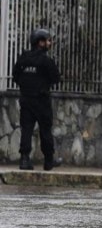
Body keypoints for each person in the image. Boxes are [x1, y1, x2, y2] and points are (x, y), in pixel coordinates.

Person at [12, 28, 62, 171]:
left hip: (26, 99)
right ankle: (48, 160)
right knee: (45, 129)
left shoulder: (23, 58)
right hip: (42, 100)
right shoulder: (46, 61)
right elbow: (55, 78)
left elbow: (15, 76)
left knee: (26, 129)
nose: (49, 43)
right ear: (40, 42)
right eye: (47, 40)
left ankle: (24, 159)